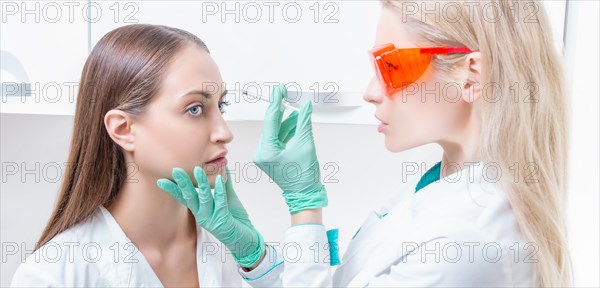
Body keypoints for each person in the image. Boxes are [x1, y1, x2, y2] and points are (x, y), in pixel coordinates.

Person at [162, 0, 571, 286]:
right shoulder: (439, 182)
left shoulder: (463, 241)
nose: (370, 92)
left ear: (470, 74)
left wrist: (306, 209)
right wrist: (255, 255)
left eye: (391, 67)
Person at [11, 24, 254, 287]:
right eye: (195, 109)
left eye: (221, 105)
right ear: (123, 129)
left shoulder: (234, 247)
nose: (224, 132)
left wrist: (258, 258)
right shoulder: (53, 275)